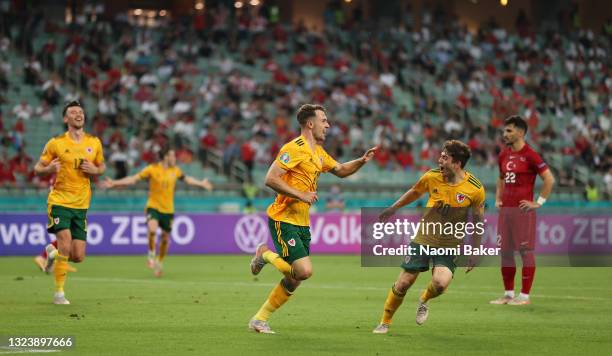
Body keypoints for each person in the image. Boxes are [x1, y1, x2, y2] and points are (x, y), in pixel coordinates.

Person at [248, 104, 377, 334]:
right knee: (304, 271)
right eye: (324, 120)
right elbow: (270, 178)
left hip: (302, 224)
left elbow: (340, 170)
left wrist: (361, 161)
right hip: (283, 218)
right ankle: (264, 253)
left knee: (295, 278)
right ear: (310, 123)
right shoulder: (294, 148)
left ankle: (259, 319)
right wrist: (301, 195)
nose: (327, 125)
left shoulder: (318, 153)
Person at [372, 140, 485, 333]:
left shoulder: (475, 189)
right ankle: (385, 321)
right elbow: (415, 192)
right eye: (440, 155)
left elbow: (478, 221)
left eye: (445, 157)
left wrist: (475, 250)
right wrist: (393, 208)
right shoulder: (431, 177)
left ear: (457, 163)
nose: (439, 159)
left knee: (440, 284)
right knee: (404, 282)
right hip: (424, 237)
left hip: (450, 243)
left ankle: (424, 299)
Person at [33, 100, 106, 305]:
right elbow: (38, 167)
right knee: (64, 241)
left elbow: (101, 167)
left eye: (81, 111)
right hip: (60, 201)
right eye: (73, 112)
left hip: (81, 205)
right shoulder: (56, 143)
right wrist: (48, 170)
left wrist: (96, 171)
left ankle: (51, 253)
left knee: (78, 256)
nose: (78, 114)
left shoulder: (94, 142)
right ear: (66, 118)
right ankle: (59, 294)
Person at [101, 148, 213, 277]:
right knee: (152, 229)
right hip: (153, 206)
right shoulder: (152, 169)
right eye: (172, 156)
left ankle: (159, 261)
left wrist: (201, 183)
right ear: (165, 157)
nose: (175, 159)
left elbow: (187, 179)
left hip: (168, 209)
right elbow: (133, 179)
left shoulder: (175, 170)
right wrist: (114, 182)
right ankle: (151, 253)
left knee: (165, 238)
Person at [490, 116, 555, 306]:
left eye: (509, 131)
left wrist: (538, 202)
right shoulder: (503, 155)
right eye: (504, 130)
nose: (505, 134)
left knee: (525, 252)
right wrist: (497, 198)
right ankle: (508, 294)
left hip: (522, 211)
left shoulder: (531, 155)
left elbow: (549, 179)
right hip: (506, 211)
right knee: (506, 252)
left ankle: (524, 296)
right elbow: (501, 178)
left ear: (520, 132)